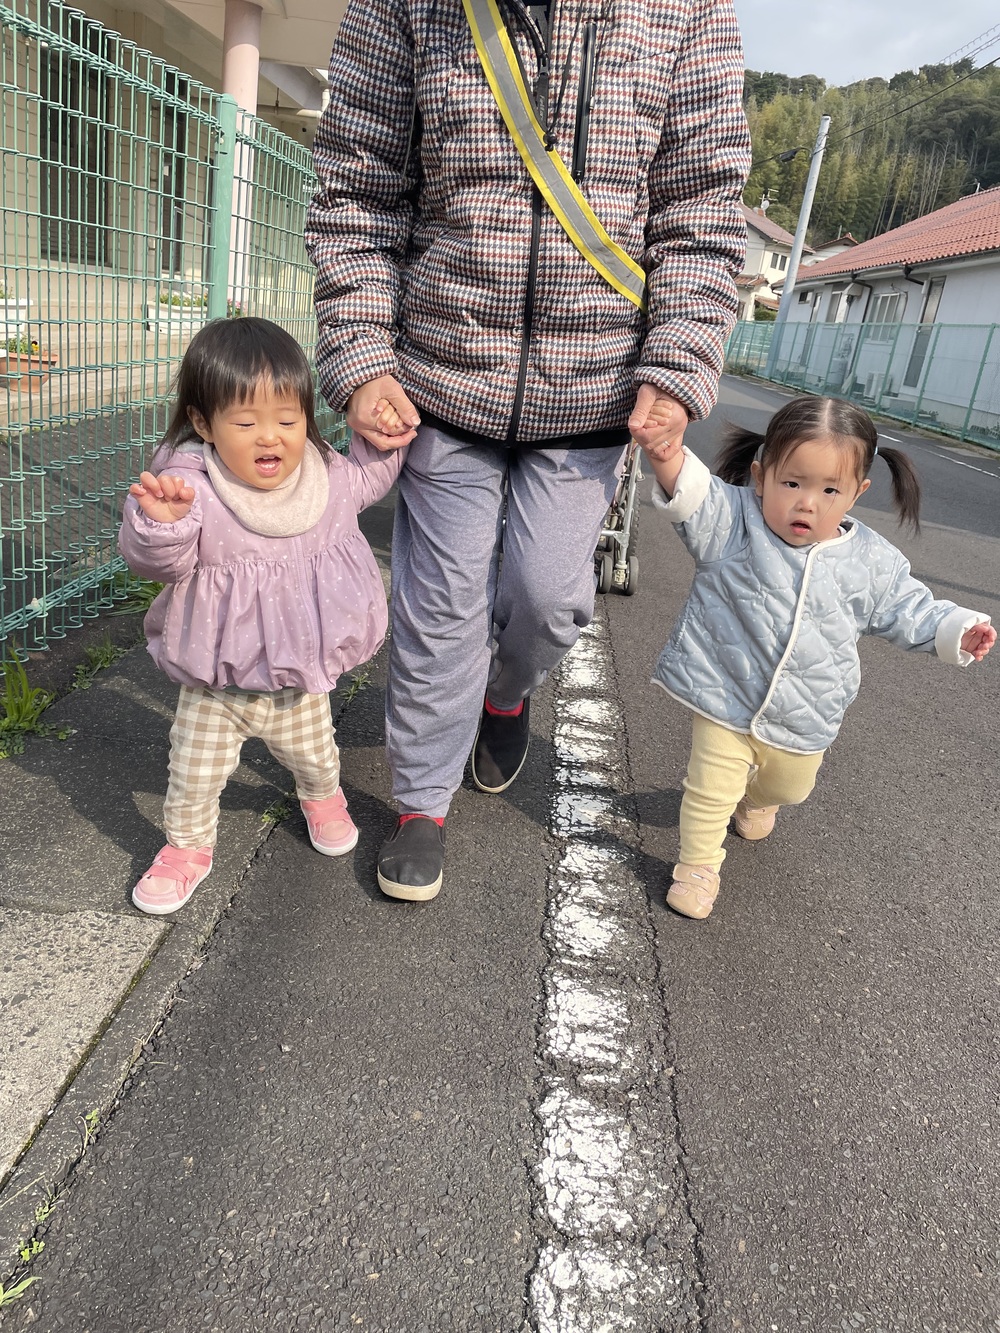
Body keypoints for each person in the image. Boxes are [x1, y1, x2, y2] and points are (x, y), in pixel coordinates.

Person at [305, 0, 752, 902]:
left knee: (548, 598)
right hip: (440, 377)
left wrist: (677, 361)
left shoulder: (689, 10)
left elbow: (702, 209)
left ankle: (505, 695)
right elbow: (358, 187)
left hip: (594, 390)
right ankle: (421, 802)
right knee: (440, 607)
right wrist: (359, 357)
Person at [638, 395, 996, 920]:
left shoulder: (873, 561)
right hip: (724, 691)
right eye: (792, 483)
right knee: (710, 787)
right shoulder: (737, 523)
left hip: (808, 711)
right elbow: (694, 495)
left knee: (790, 785)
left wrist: (956, 628)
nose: (808, 503)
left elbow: (907, 608)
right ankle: (697, 868)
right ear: (760, 477)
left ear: (857, 493)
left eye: (830, 490)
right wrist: (667, 450)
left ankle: (758, 798)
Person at [118, 317, 406, 916]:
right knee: (192, 778)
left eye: (288, 419)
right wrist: (160, 526)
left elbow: (371, 474)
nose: (269, 437)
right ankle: (186, 848)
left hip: (296, 678)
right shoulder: (190, 487)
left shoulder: (325, 478)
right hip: (214, 683)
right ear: (204, 423)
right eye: (245, 423)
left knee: (316, 755)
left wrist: (382, 437)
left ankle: (321, 797)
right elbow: (160, 564)